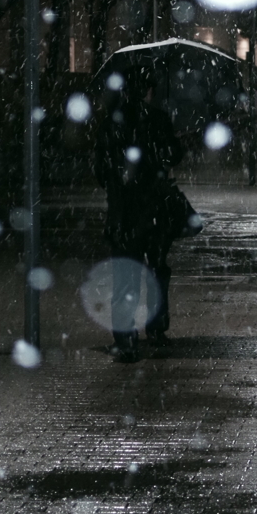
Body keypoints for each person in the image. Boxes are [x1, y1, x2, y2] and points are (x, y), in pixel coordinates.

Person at [94, 66, 186, 361]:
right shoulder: (157, 119)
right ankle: (157, 326)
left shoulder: (111, 124)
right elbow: (175, 156)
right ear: (147, 91)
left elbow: (100, 169)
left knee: (126, 276)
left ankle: (126, 338)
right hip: (155, 208)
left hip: (124, 211)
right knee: (157, 269)